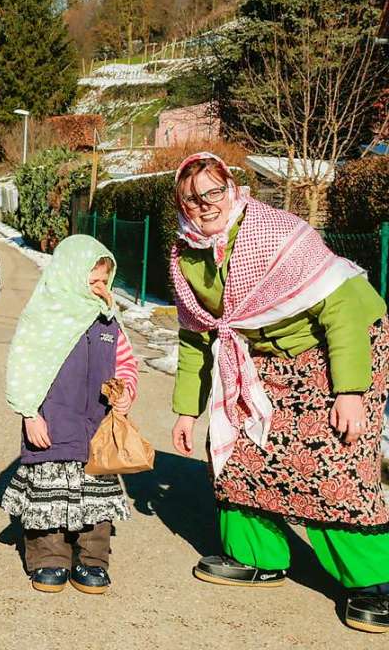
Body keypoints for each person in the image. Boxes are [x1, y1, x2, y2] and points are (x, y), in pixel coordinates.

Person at [170, 152, 389, 634]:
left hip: (342, 339)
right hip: (266, 353)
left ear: (230, 187)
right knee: (243, 448)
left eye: (213, 191)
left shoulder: (273, 233)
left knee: (333, 458)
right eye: (192, 197)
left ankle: (374, 582)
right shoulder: (186, 256)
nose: (205, 204)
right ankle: (256, 556)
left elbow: (341, 311)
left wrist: (349, 392)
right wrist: (188, 411)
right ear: (182, 204)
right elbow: (197, 337)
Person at [1, 236, 138, 595]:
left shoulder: (108, 320)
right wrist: (30, 413)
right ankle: (49, 557)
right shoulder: (46, 315)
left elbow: (126, 364)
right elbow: (24, 364)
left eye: (105, 282)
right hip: (53, 420)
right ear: (69, 275)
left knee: (96, 496)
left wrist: (125, 394)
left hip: (97, 425)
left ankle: (93, 561)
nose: (101, 289)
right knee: (48, 494)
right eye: (92, 281)